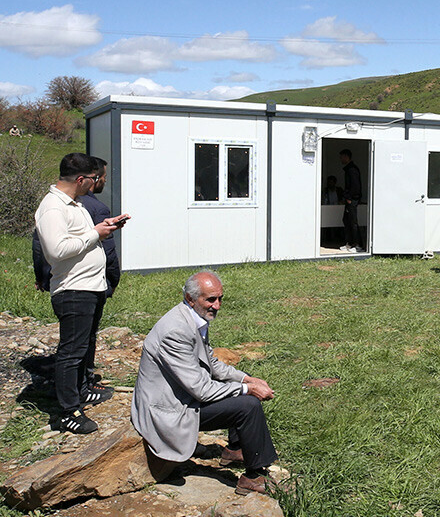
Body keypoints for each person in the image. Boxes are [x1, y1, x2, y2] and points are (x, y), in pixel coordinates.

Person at [131, 271, 282, 496]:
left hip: (182, 395)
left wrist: (245, 379)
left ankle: (236, 450)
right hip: (167, 410)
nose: (217, 305)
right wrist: (248, 389)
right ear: (191, 299)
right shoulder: (176, 331)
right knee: (248, 406)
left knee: (238, 382)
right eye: (210, 299)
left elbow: (211, 363)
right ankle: (254, 476)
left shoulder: (192, 317)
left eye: (220, 298)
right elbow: (201, 390)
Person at [35, 153, 129, 433]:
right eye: (94, 178)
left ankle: (82, 390)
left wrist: (105, 226)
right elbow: (56, 250)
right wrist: (95, 234)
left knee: (83, 345)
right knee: (71, 351)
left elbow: (79, 239)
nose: (95, 183)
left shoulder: (74, 205)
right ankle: (67, 412)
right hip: (74, 289)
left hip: (90, 286)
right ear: (80, 179)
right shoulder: (53, 208)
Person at [339, 150, 363, 252]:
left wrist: (349, 198)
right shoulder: (348, 169)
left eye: (341, 157)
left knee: (353, 222)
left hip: (352, 200)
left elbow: (355, 186)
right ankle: (349, 243)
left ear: (346, 157)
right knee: (346, 220)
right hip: (349, 199)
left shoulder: (352, 170)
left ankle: (358, 245)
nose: (340, 159)